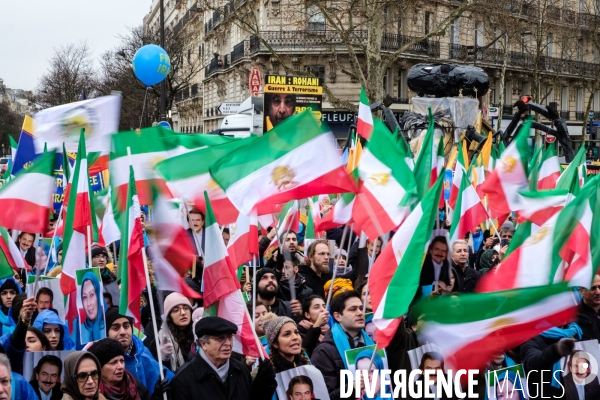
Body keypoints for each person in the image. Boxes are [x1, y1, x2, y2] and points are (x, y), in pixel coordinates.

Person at [170, 316, 277, 400]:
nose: (228, 343)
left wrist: (264, 383)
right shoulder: (183, 380)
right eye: (220, 338)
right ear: (203, 344)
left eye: (230, 337)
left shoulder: (240, 370)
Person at [311, 291, 373, 400]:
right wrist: (352, 388)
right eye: (353, 309)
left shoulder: (372, 343)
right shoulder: (323, 352)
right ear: (338, 316)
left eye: (360, 308)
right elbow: (325, 397)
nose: (360, 313)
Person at [104, 307, 173, 396]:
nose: (122, 332)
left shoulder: (143, 352)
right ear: (107, 333)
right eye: (115, 328)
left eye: (126, 326)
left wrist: (157, 395)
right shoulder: (101, 360)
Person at [88, 338, 162, 400]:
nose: (120, 366)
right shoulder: (91, 393)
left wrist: (157, 396)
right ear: (99, 368)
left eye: (122, 361)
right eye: (113, 362)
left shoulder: (135, 385)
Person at [155, 292, 195, 372]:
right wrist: (162, 358)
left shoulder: (197, 331)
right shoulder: (162, 339)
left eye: (186, 308)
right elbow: (156, 370)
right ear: (169, 316)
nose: (183, 313)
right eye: (176, 310)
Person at [79, 271, 105, 343]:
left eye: (92, 295)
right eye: (84, 297)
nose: (88, 303)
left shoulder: (109, 324)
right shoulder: (78, 330)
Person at [578, 274, 600, 341]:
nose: (598, 292)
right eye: (592, 288)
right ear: (581, 292)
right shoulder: (573, 316)